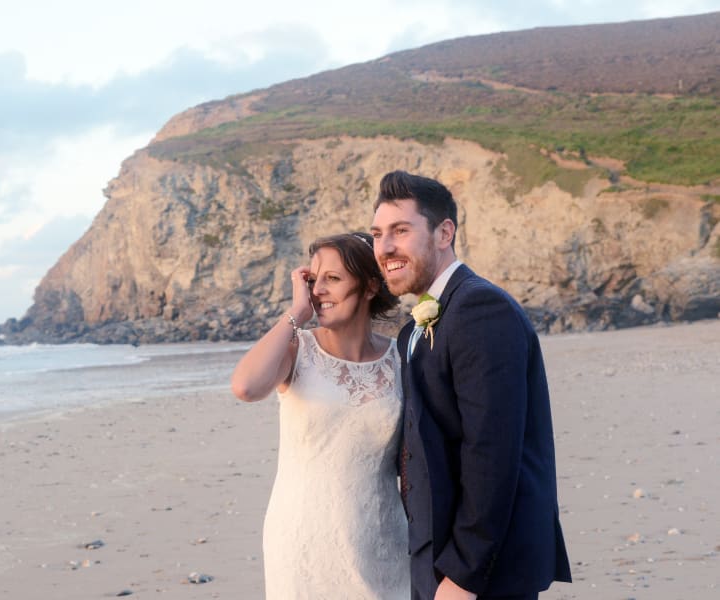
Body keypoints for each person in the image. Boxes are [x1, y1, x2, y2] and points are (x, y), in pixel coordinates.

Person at [370, 171, 572, 600]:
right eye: (378, 234)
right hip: (440, 555)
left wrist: (464, 575)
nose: (385, 247)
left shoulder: (480, 308)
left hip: (483, 570)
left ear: (445, 233)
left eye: (401, 231)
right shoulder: (417, 327)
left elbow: (492, 453)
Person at [230, 232, 410, 599]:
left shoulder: (401, 360)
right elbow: (246, 387)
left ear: (370, 286)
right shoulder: (298, 350)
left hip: (383, 541)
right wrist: (296, 314)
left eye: (333, 278)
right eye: (314, 280)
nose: (318, 291)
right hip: (303, 544)